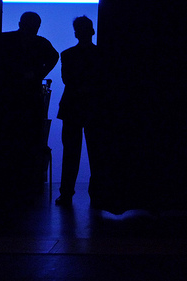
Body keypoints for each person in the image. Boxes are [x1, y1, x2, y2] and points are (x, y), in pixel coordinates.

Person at [0, 11, 59, 201]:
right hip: (29, 97)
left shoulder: (6, 40)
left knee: (10, 137)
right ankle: (28, 181)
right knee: (30, 136)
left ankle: (10, 181)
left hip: (9, 98)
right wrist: (37, 74)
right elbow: (54, 57)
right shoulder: (41, 43)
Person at [55, 16, 106, 208]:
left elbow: (69, 80)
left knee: (71, 153)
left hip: (72, 107)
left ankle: (67, 193)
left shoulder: (67, 54)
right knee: (96, 153)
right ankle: (97, 194)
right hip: (94, 107)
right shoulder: (102, 54)